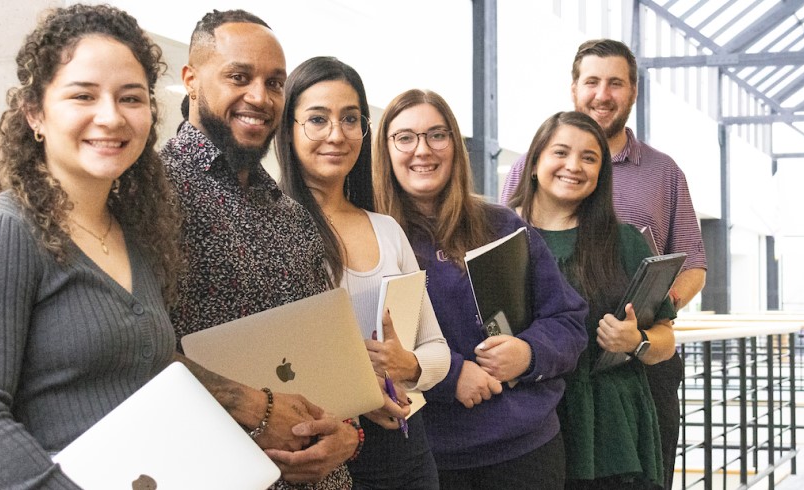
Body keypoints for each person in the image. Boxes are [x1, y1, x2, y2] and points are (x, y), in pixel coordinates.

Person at [0, 5, 180, 488]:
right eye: (83, 95)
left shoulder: (136, 233)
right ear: (35, 114)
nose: (110, 117)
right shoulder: (1, 233)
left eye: (131, 98)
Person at [159, 10, 358, 488]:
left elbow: (328, 357)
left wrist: (347, 434)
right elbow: (126, 353)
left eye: (274, 83)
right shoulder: (150, 194)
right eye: (239, 77)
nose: (260, 97)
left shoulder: (291, 215)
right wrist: (257, 408)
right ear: (190, 79)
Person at [500, 38, 707, 489]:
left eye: (615, 83)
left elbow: (692, 266)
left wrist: (644, 317)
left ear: (632, 91)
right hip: (531, 410)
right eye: (592, 81)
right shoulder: (506, 231)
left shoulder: (658, 182)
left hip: (615, 404)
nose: (603, 93)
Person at [373, 89, 589, 490]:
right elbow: (366, 348)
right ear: (385, 150)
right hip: (425, 454)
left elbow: (569, 321)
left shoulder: (502, 226)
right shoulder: (370, 237)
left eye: (437, 135)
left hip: (524, 450)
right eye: (405, 137)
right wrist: (451, 375)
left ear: (456, 146)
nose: (423, 150)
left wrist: (528, 353)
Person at [276, 56, 451, 490]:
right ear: (289, 129)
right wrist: (358, 395)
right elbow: (272, 366)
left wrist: (406, 364)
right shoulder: (271, 229)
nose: (337, 134)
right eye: (317, 119)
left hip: (409, 448)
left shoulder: (387, 229)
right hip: (326, 455)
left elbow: (436, 348)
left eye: (350, 119)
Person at [509, 111, 676, 489]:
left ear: (601, 173)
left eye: (589, 158)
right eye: (561, 153)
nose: (574, 166)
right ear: (535, 162)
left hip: (609, 430)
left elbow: (665, 340)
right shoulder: (498, 236)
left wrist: (636, 342)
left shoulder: (625, 241)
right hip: (525, 422)